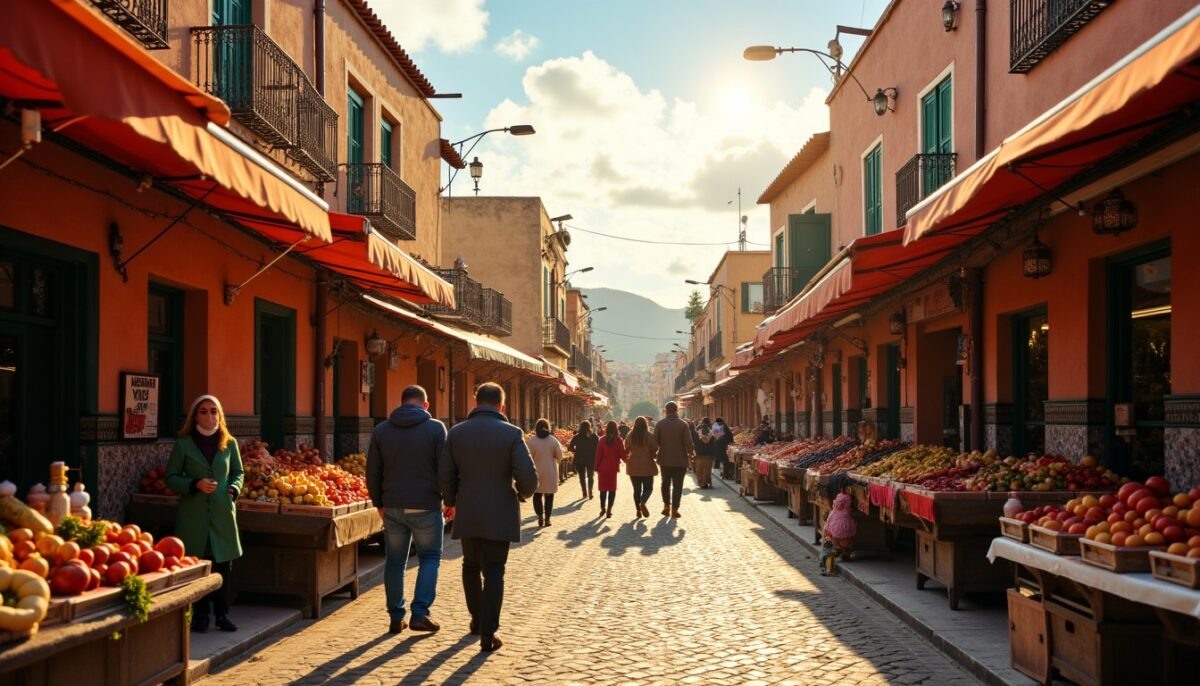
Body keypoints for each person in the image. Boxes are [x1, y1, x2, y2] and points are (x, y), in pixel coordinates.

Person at [440, 382, 538, 652]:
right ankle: (488, 632)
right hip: (500, 511)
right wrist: (521, 493)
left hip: (468, 509)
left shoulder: (456, 433)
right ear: (502, 406)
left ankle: (476, 618)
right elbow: (529, 478)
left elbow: (446, 474)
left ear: (475, 402)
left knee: (470, 566)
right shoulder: (512, 434)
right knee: (494, 571)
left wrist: (450, 501)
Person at [366, 385, 447, 634]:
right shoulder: (436, 428)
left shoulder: (381, 430)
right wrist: (449, 498)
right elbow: (445, 468)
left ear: (401, 403)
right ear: (426, 405)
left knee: (395, 561)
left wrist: (378, 502)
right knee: (430, 558)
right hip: (426, 505)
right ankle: (420, 614)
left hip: (392, 505)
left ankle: (395, 616)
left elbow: (372, 471)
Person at [165, 395, 243, 633]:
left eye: (213, 411)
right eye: (203, 411)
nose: (209, 416)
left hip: (222, 512)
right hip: (194, 514)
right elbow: (171, 478)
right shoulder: (184, 444)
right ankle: (199, 616)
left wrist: (233, 489)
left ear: (219, 415)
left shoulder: (229, 443)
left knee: (222, 565)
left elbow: (238, 472)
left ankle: (222, 614)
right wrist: (195, 484)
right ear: (194, 416)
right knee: (197, 565)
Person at [653, 401, 694, 518]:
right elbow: (688, 442)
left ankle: (666, 506)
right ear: (677, 410)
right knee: (678, 485)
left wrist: (653, 454)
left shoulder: (660, 424)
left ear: (666, 410)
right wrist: (691, 454)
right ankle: (675, 509)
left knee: (665, 483)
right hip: (680, 460)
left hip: (664, 460)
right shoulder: (683, 424)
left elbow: (655, 443)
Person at [526, 418, 563, 527]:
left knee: (537, 494)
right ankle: (547, 518)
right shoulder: (553, 440)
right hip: (550, 471)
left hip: (535, 471)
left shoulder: (531, 441)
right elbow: (560, 456)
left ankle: (540, 516)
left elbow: (528, 457)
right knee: (549, 495)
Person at [623, 416, 658, 518]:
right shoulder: (649, 435)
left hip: (633, 466)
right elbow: (655, 448)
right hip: (647, 465)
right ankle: (643, 502)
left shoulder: (630, 435)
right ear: (645, 424)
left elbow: (626, 449)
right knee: (648, 488)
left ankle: (638, 510)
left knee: (636, 490)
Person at [594, 420, 626, 518]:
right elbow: (622, 455)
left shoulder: (602, 440)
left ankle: (602, 508)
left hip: (603, 468)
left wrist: (596, 466)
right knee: (612, 489)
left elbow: (598, 455)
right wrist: (629, 460)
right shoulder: (619, 440)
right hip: (613, 468)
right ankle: (609, 509)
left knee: (603, 490)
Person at [568, 421, 598, 500]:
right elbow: (598, 448)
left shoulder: (577, 436)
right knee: (590, 476)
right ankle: (590, 491)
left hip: (579, 459)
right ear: (590, 426)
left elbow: (570, 447)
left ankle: (584, 492)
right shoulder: (594, 436)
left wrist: (576, 451)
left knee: (582, 477)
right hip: (591, 459)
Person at [693, 423, 715, 489]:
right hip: (709, 455)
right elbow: (714, 445)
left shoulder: (697, 435)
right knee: (707, 470)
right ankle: (706, 482)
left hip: (699, 454)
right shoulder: (711, 435)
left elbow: (694, 444)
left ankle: (700, 482)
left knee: (699, 470)